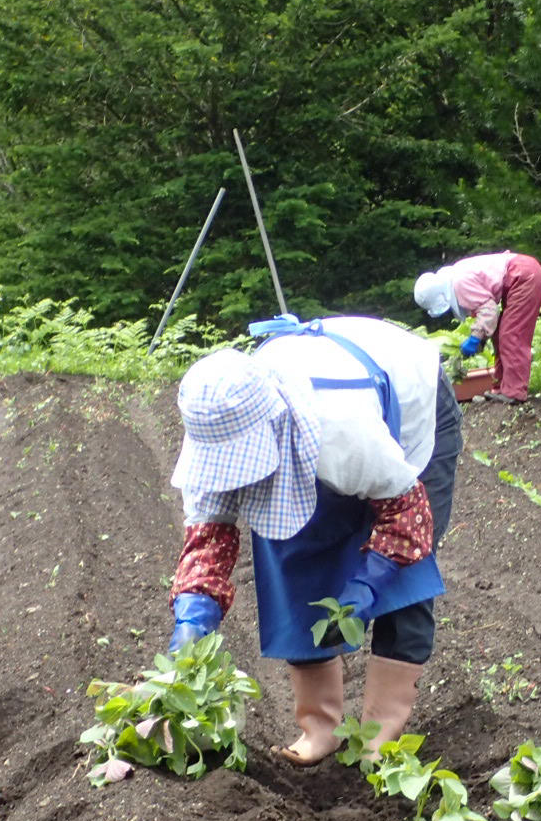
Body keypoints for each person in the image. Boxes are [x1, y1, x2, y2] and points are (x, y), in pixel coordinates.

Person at [166, 315, 461, 765]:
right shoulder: (215, 427)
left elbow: (406, 519)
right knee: (291, 556)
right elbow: (208, 538)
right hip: (333, 392)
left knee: (406, 582)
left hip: (408, 399)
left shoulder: (342, 431)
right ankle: (320, 729)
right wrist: (193, 620)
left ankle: (378, 739)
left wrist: (368, 584)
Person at [413, 250, 541, 403]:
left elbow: (488, 310)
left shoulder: (459, 283)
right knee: (500, 336)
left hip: (523, 276)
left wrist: (475, 338)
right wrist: (482, 339)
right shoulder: (457, 276)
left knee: (511, 336)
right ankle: (501, 388)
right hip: (523, 273)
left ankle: (514, 392)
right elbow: (488, 310)